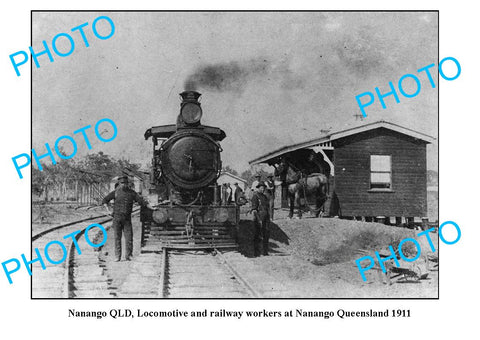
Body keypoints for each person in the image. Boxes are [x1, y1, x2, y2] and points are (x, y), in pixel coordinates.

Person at [102, 176, 155, 262]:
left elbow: (142, 202)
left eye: (125, 183)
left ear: (128, 184)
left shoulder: (132, 193)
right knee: (117, 238)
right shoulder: (115, 193)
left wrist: (152, 208)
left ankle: (128, 255)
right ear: (119, 184)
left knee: (129, 238)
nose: (124, 185)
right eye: (122, 183)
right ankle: (117, 256)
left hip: (127, 219)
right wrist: (108, 210)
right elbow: (105, 200)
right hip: (117, 219)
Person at [250, 182, 270, 256]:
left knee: (266, 234)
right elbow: (254, 209)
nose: (263, 189)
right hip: (259, 218)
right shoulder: (255, 196)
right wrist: (258, 220)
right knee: (257, 235)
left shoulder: (264, 197)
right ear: (258, 188)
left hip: (266, 217)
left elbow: (267, 207)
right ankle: (256, 252)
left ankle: (265, 251)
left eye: (264, 188)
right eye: (261, 188)